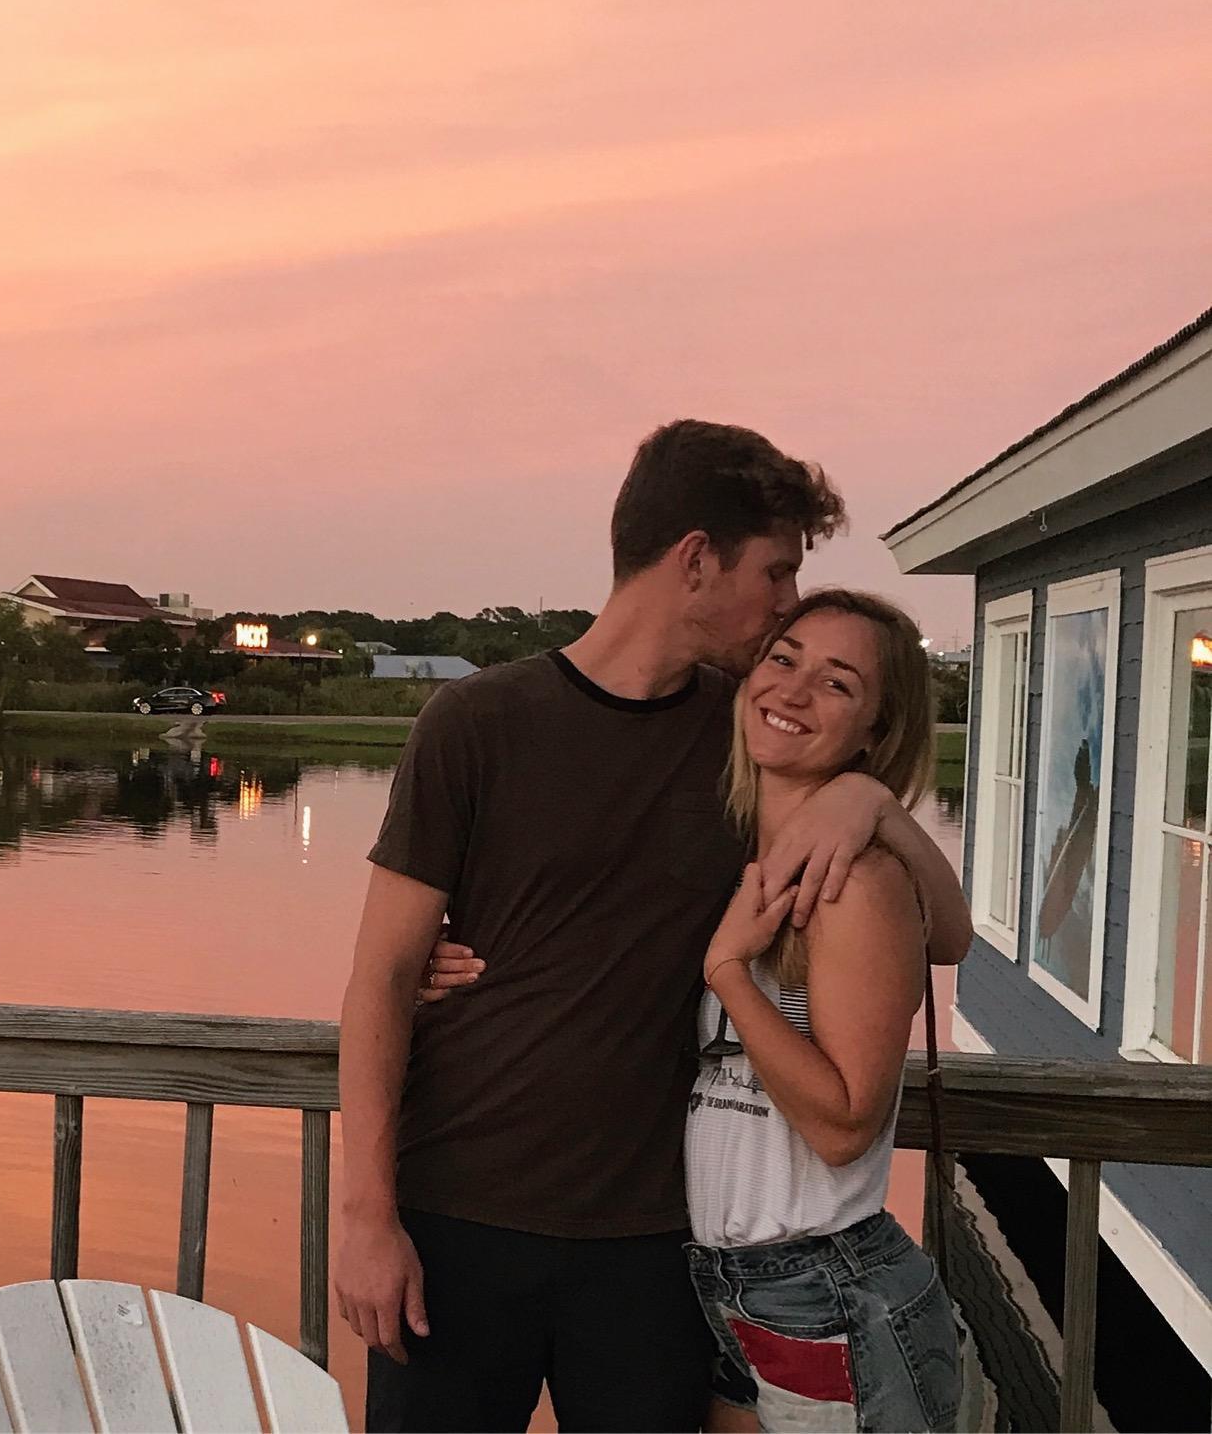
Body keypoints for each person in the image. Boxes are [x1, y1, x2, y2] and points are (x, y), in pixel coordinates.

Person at [334, 421, 973, 1433]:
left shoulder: (744, 737)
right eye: (775, 572)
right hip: (455, 1220)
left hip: (654, 1250)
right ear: (695, 559)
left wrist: (874, 807)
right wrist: (366, 1217)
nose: (786, 605)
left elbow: (940, 937)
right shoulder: (478, 723)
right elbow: (379, 979)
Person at [683, 588, 963, 1431]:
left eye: (838, 683)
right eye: (784, 658)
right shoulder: (746, 858)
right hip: (732, 1284)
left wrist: (729, 972)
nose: (794, 691)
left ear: (878, 729)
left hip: (824, 1290)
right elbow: (953, 938)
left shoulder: (857, 886)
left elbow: (844, 1125)